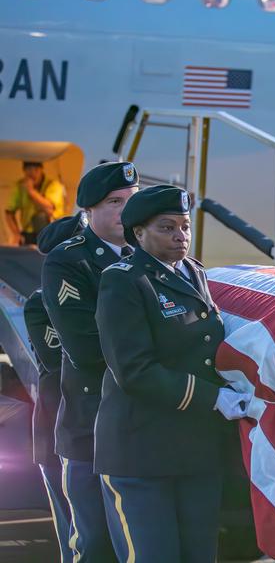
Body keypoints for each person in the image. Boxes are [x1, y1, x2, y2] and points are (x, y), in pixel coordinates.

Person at [94, 184, 252, 561]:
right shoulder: (124, 280)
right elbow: (134, 371)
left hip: (196, 451)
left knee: (200, 555)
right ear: (139, 232)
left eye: (184, 226)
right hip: (142, 453)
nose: (180, 236)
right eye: (167, 227)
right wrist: (214, 397)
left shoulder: (193, 272)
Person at [42, 162, 141, 562]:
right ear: (88, 209)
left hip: (140, 426)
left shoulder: (147, 256)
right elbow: (84, 347)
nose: (125, 212)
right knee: (94, 544)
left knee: (135, 546)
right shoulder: (69, 260)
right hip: (91, 425)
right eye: (115, 202)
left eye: (131, 202)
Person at [23, 214, 86, 563]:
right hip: (59, 427)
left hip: (83, 427)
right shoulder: (41, 301)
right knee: (74, 535)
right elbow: (58, 358)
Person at [6, 161, 65, 245]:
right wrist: (16, 234)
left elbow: (49, 209)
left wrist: (31, 191)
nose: (32, 173)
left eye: (36, 169)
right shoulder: (20, 186)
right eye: (29, 170)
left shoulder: (53, 185)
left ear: (41, 170)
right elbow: (9, 212)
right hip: (28, 234)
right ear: (24, 171)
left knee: (40, 217)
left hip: (50, 232)